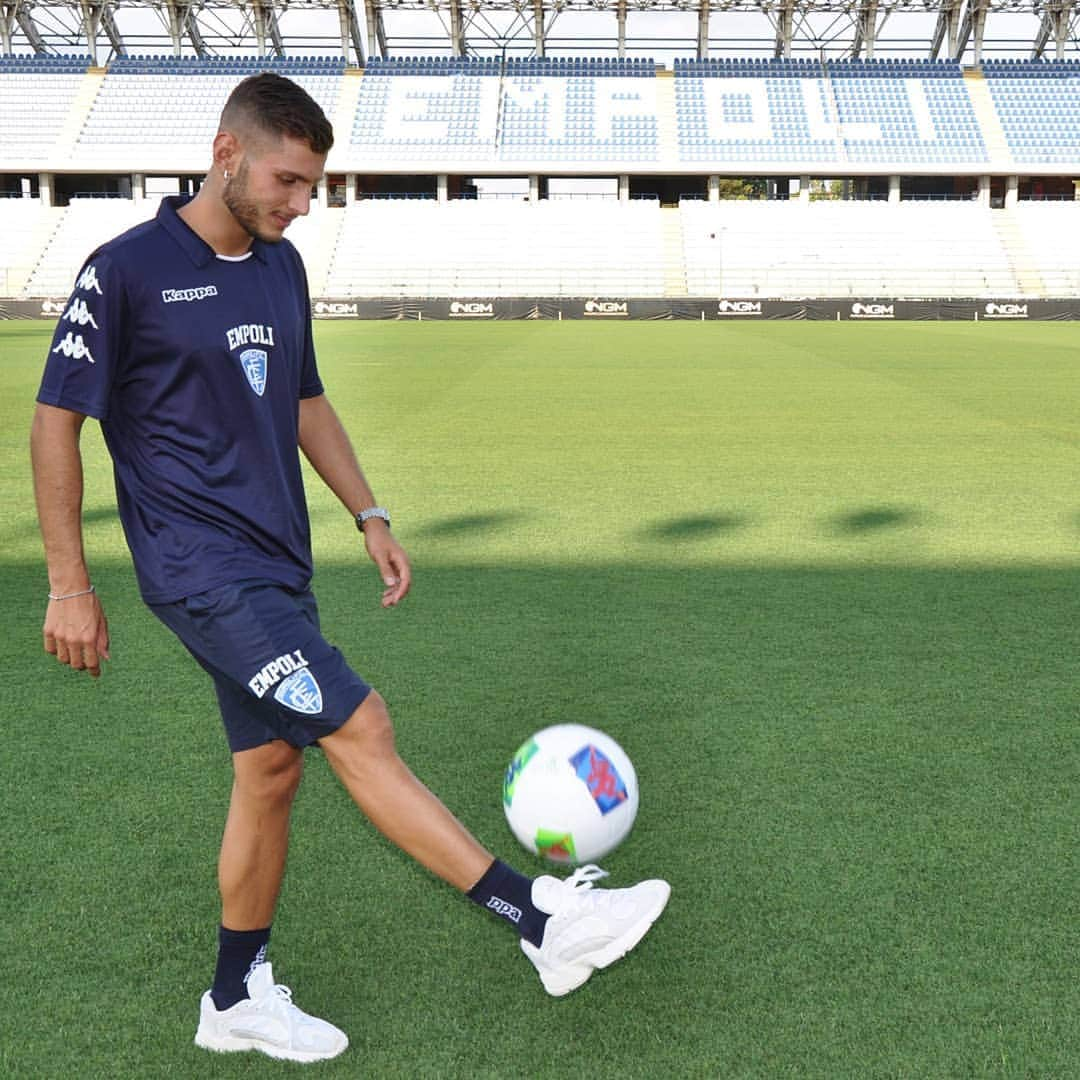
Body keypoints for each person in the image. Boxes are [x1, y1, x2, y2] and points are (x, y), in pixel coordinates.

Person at [31, 72, 670, 1064]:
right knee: (357, 722)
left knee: (272, 769)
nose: (298, 205)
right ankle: (541, 922)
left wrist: (367, 512)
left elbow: (303, 402)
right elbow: (54, 422)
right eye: (287, 180)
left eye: (312, 188)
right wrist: (70, 583)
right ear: (227, 152)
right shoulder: (126, 270)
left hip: (278, 565)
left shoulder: (279, 268)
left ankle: (236, 995)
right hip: (200, 571)